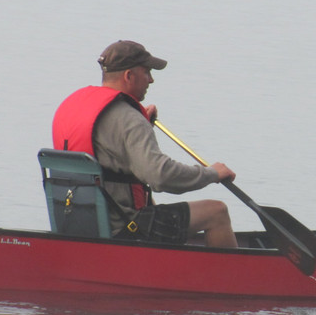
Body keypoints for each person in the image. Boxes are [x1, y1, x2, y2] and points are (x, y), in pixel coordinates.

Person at [52, 40, 238, 247]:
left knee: (157, 207)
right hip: (125, 228)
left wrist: (142, 123)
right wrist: (212, 174)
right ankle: (233, 279)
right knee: (217, 212)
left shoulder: (76, 108)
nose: (151, 80)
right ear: (129, 76)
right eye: (147, 72)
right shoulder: (130, 120)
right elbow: (160, 176)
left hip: (81, 221)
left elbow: (107, 144)